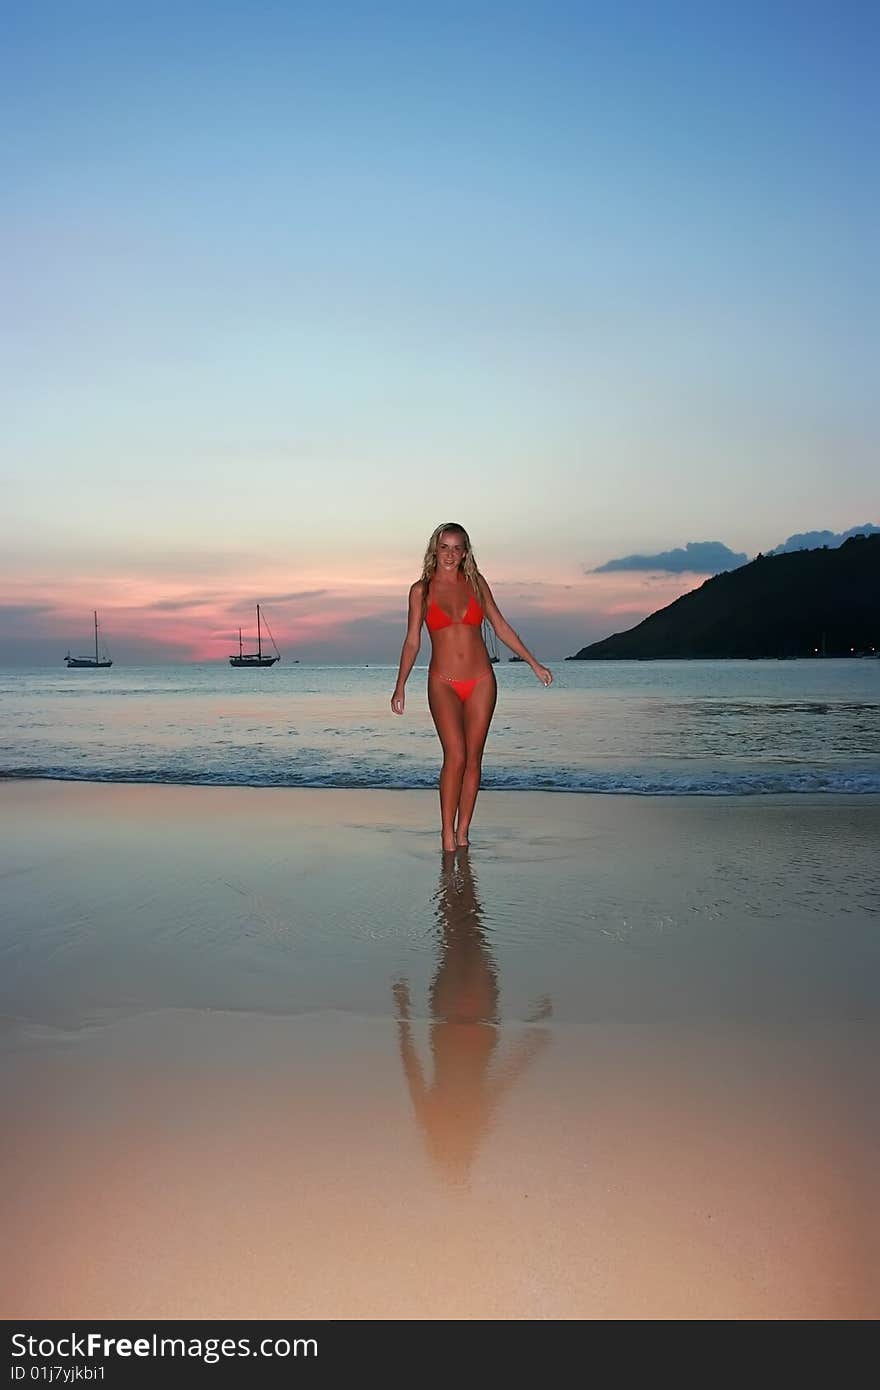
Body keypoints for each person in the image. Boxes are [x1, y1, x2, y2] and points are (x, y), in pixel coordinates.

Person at [391, 522, 552, 851]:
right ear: (434, 550)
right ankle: (446, 833)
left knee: (474, 760)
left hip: (481, 681)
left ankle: (463, 830)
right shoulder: (421, 590)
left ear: (466, 552)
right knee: (456, 756)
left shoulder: (476, 584)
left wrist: (533, 663)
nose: (450, 554)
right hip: (442, 683)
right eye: (444, 546)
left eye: (457, 547)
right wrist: (400, 685)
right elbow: (412, 641)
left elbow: (501, 626)